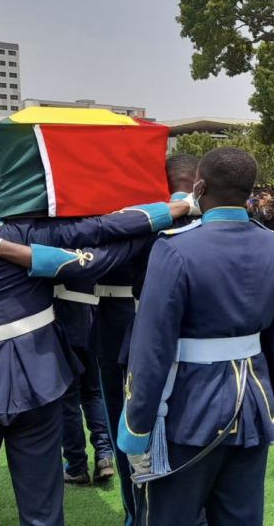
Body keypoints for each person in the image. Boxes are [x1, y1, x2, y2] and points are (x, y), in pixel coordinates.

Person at [0, 159, 191, 526]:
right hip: (41, 380)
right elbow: (103, 227)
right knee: (42, 508)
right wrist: (175, 209)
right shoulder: (33, 234)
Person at [117, 148, 274, 526]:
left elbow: (152, 347)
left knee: (168, 517)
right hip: (253, 403)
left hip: (187, 406)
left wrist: (136, 426)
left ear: (199, 187)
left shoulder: (174, 247)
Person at [91, 152, 200, 518]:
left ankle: (135, 514)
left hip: (120, 329)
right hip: (203, 345)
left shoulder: (137, 219)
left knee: (127, 428)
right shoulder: (215, 219)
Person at [54, 279, 113, 486]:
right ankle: (104, 455)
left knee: (68, 398)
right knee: (94, 392)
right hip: (96, 316)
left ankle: (76, 466)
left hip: (65, 318)